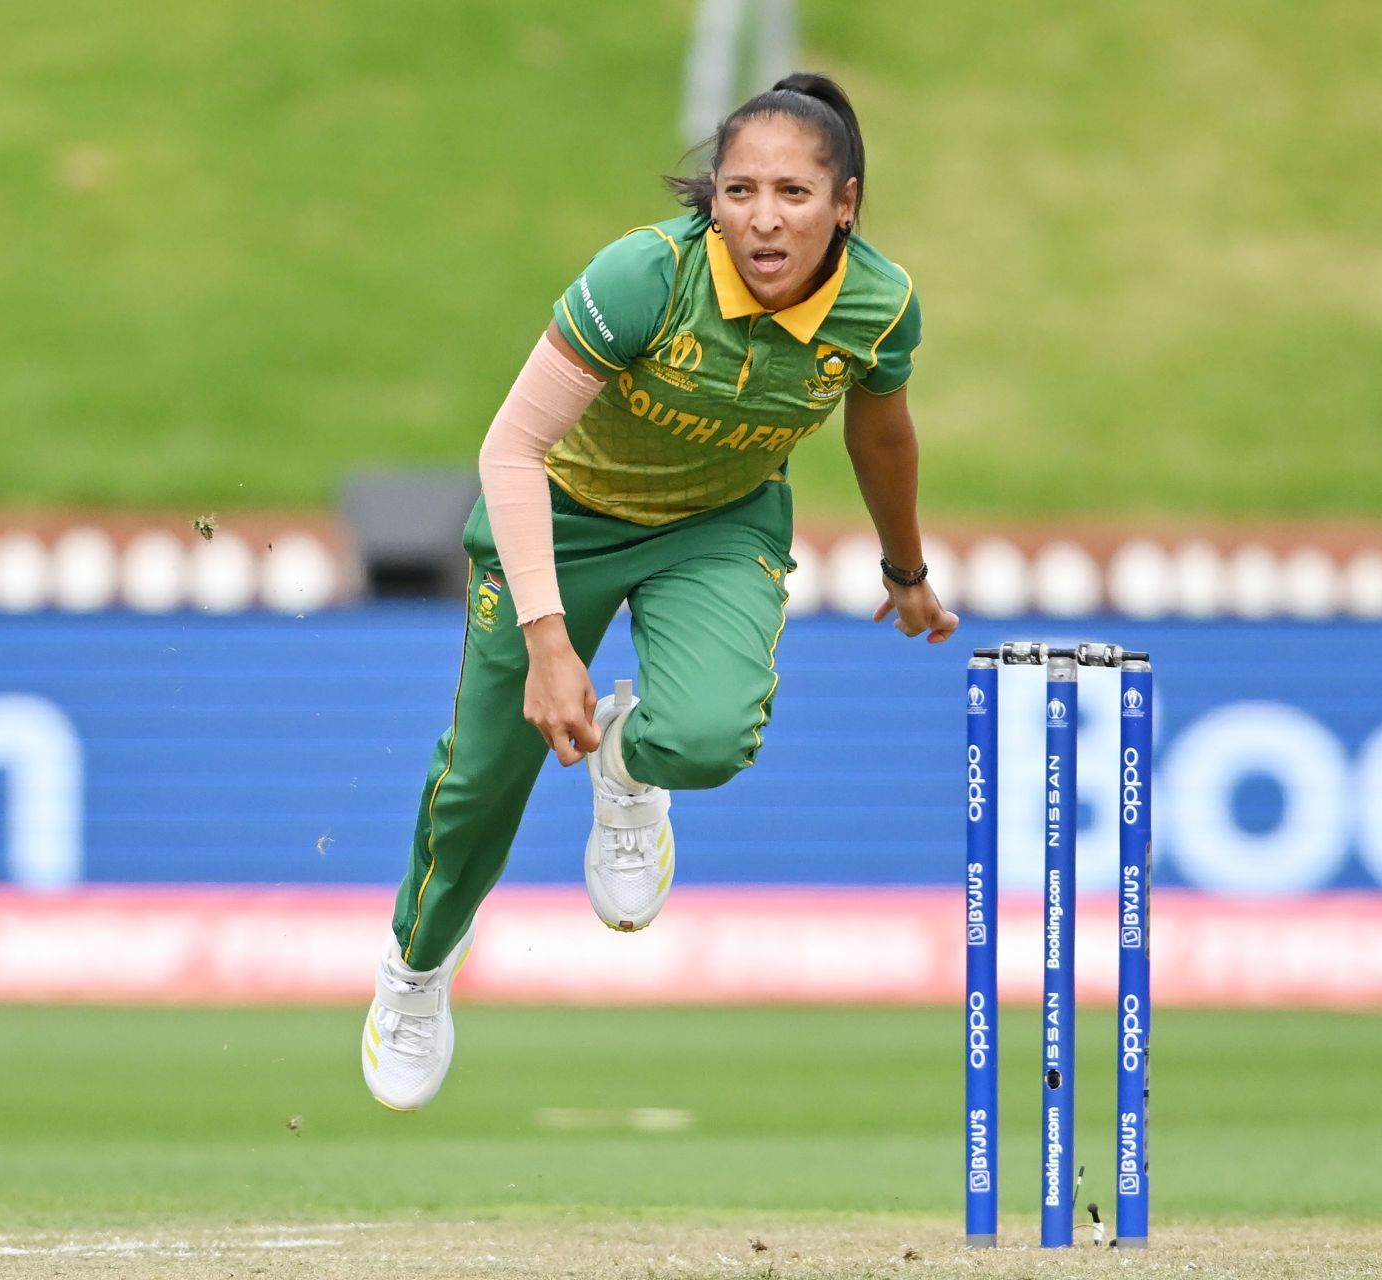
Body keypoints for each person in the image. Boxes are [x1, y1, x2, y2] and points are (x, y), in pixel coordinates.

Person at [361, 72, 959, 1111]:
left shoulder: (880, 304)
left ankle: (632, 767)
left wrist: (904, 569)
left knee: (709, 737)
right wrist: (552, 643)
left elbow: (882, 431)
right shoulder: (645, 275)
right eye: (738, 191)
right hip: (565, 515)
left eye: (793, 193)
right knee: (480, 788)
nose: (763, 219)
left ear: (846, 203)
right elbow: (511, 449)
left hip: (717, 527)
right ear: (712, 197)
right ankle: (414, 975)